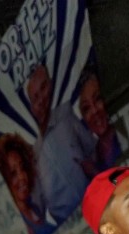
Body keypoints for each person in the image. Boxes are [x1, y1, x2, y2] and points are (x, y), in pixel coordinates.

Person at [26, 64, 94, 224]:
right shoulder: (33, 154)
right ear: (32, 108)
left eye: (43, 87)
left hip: (95, 199)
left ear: (51, 84)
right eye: (35, 98)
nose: (41, 100)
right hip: (71, 225)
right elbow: (38, 207)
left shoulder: (65, 115)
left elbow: (91, 149)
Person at [0, 133, 56, 234]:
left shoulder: (35, 207)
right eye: (13, 173)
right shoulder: (18, 225)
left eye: (22, 167)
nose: (22, 176)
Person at [77, 68, 125, 173]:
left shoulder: (126, 132)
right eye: (86, 108)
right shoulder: (94, 157)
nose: (94, 111)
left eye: (98, 98)